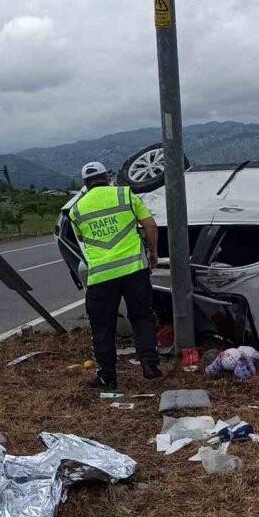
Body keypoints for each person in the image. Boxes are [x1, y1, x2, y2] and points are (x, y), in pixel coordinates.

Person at [69, 162, 162, 390]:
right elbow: (150, 226)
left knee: (102, 327)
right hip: (133, 270)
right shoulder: (125, 194)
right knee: (142, 317)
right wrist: (153, 253)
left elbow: (82, 239)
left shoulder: (76, 210)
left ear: (85, 184)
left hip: (101, 277)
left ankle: (107, 376)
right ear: (107, 178)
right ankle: (149, 363)